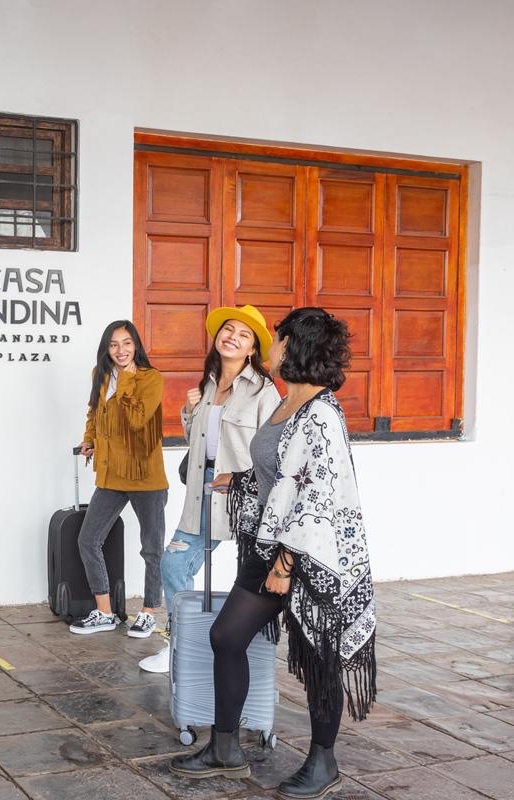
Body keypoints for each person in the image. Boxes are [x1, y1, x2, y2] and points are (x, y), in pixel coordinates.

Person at [169, 308, 377, 800]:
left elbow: (316, 496)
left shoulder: (322, 413)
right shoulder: (288, 405)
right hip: (270, 548)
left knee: (318, 659)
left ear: (295, 347)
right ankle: (225, 748)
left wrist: (285, 566)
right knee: (227, 636)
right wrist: (237, 480)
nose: (272, 348)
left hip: (311, 559)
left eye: (278, 340)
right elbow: (279, 475)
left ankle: (323, 763)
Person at [139, 305, 280, 673]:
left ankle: (237, 651)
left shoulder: (265, 392)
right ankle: (182, 647)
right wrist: (189, 413)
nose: (232, 336)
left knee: (248, 579)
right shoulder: (208, 383)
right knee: (174, 564)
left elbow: (275, 449)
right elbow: (198, 442)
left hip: (245, 498)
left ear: (252, 349)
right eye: (228, 329)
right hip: (204, 492)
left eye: (243, 334)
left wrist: (246, 483)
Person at [71, 320, 168, 637]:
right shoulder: (100, 376)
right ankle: (104, 612)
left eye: (127, 343)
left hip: (145, 476)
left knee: (151, 548)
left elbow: (139, 419)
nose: (121, 350)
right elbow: (94, 412)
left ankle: (150, 610)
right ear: (106, 348)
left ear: (136, 345)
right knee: (88, 540)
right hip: (112, 474)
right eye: (114, 344)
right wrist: (90, 440)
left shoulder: (150, 379)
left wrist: (126, 380)